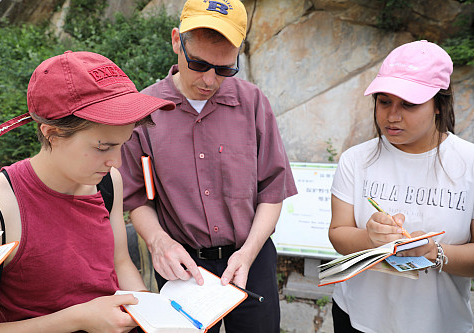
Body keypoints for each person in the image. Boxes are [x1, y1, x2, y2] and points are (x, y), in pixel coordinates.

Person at [119, 0, 297, 331]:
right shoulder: (145, 114)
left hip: (251, 255)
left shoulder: (254, 103)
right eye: (199, 64)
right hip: (182, 263)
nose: (210, 80)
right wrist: (158, 242)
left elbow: (273, 190)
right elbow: (137, 197)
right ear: (176, 41)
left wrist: (247, 254)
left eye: (225, 68)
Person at [0, 50, 175, 332]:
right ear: (51, 133)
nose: (115, 162)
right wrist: (79, 318)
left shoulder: (109, 182)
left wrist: (149, 314)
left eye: (123, 144)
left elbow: (119, 262)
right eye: (102, 147)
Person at [328, 40, 474, 333]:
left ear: (438, 104)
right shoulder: (356, 160)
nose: (392, 116)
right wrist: (371, 238)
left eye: (408, 104)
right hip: (357, 316)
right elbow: (338, 234)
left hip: (440, 323)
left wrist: (434, 252)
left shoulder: (469, 163)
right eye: (384, 101)